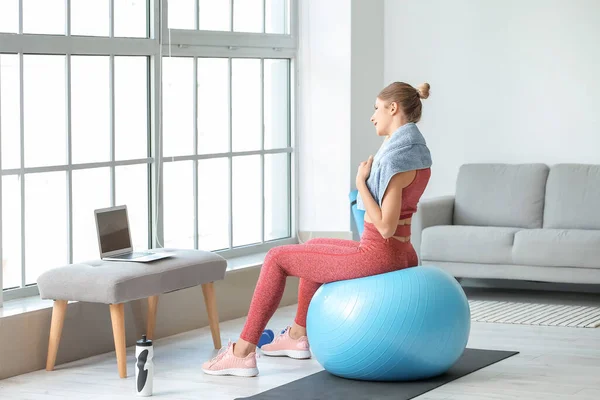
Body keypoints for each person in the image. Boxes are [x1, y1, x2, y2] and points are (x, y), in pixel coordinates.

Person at [201, 81, 433, 377]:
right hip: (402, 252)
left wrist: (361, 182)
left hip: (380, 253)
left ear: (393, 108)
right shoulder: (416, 150)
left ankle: (242, 352)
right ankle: (298, 336)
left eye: (377, 108)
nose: (373, 116)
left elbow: (386, 227)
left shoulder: (397, 157)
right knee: (311, 248)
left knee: (276, 257)